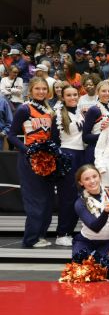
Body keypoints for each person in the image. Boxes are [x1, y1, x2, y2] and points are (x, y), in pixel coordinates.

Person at [7, 77, 59, 248]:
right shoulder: (24, 109)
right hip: (29, 159)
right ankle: (30, 239)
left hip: (47, 159)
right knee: (35, 200)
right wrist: (27, 150)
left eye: (44, 89)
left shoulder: (49, 111)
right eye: (37, 89)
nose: (41, 92)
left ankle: (40, 235)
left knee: (47, 199)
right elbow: (12, 135)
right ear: (31, 91)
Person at [53, 84, 86, 246]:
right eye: (69, 95)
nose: (73, 97)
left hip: (82, 155)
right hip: (67, 155)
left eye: (75, 94)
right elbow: (53, 140)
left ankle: (70, 231)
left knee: (79, 196)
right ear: (63, 97)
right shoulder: (58, 114)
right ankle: (62, 233)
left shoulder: (80, 112)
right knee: (67, 197)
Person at [72, 165, 109, 258]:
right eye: (87, 179)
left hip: (108, 242)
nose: (92, 181)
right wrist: (106, 211)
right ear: (81, 182)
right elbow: (95, 227)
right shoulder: (80, 202)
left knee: (105, 267)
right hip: (86, 241)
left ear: (100, 177)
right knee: (81, 267)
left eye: (94, 176)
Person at [82, 80, 109, 165]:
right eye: (103, 91)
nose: (107, 93)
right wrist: (105, 136)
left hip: (108, 150)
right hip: (94, 150)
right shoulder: (94, 109)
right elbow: (85, 137)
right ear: (97, 92)